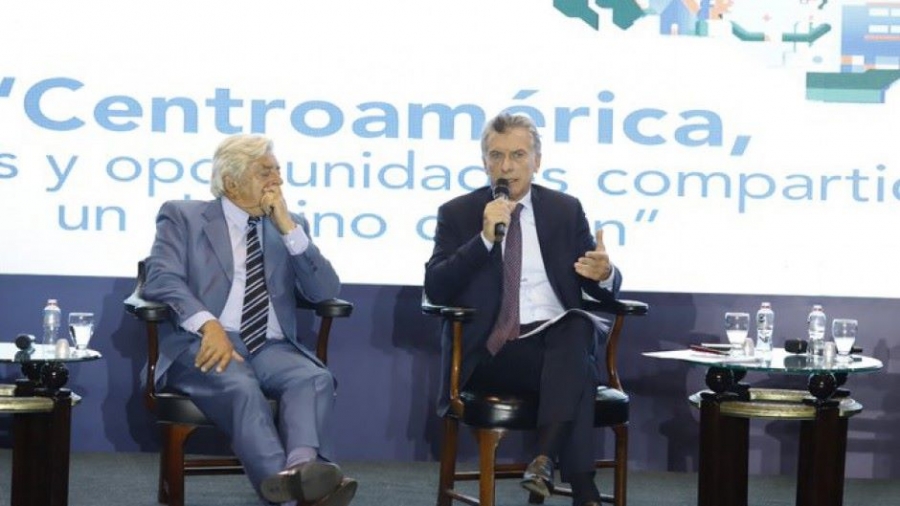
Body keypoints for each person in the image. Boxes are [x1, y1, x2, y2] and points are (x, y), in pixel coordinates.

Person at [142, 134, 357, 506]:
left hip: (272, 347)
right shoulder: (183, 216)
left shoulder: (291, 225)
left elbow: (324, 291)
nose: (277, 180)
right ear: (231, 183)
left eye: (278, 170)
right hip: (205, 342)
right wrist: (208, 324)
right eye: (265, 172)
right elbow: (161, 278)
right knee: (241, 387)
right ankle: (289, 494)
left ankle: (301, 468)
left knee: (314, 377)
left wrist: (290, 231)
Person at [423, 112, 622, 506]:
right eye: (496, 156)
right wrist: (483, 240)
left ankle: (544, 462)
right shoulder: (458, 213)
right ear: (484, 162)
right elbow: (436, 287)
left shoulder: (565, 210)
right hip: (494, 353)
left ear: (537, 161)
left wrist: (605, 274)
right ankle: (580, 486)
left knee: (577, 326)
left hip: (556, 345)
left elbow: (594, 280)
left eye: (517, 155)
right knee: (580, 369)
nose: (507, 166)